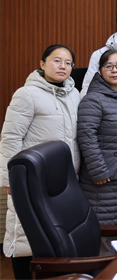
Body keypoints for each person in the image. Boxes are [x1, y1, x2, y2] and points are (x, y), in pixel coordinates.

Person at [0, 45, 81, 279]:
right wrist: (8, 179)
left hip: (63, 182)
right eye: (57, 60)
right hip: (30, 180)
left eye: (68, 63)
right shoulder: (26, 94)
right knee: (24, 237)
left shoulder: (74, 94)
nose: (63, 66)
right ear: (42, 63)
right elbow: (10, 138)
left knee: (55, 237)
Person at [77, 49, 117, 225]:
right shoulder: (92, 100)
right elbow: (86, 138)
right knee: (106, 225)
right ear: (100, 70)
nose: (115, 70)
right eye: (109, 66)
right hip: (106, 175)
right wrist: (98, 171)